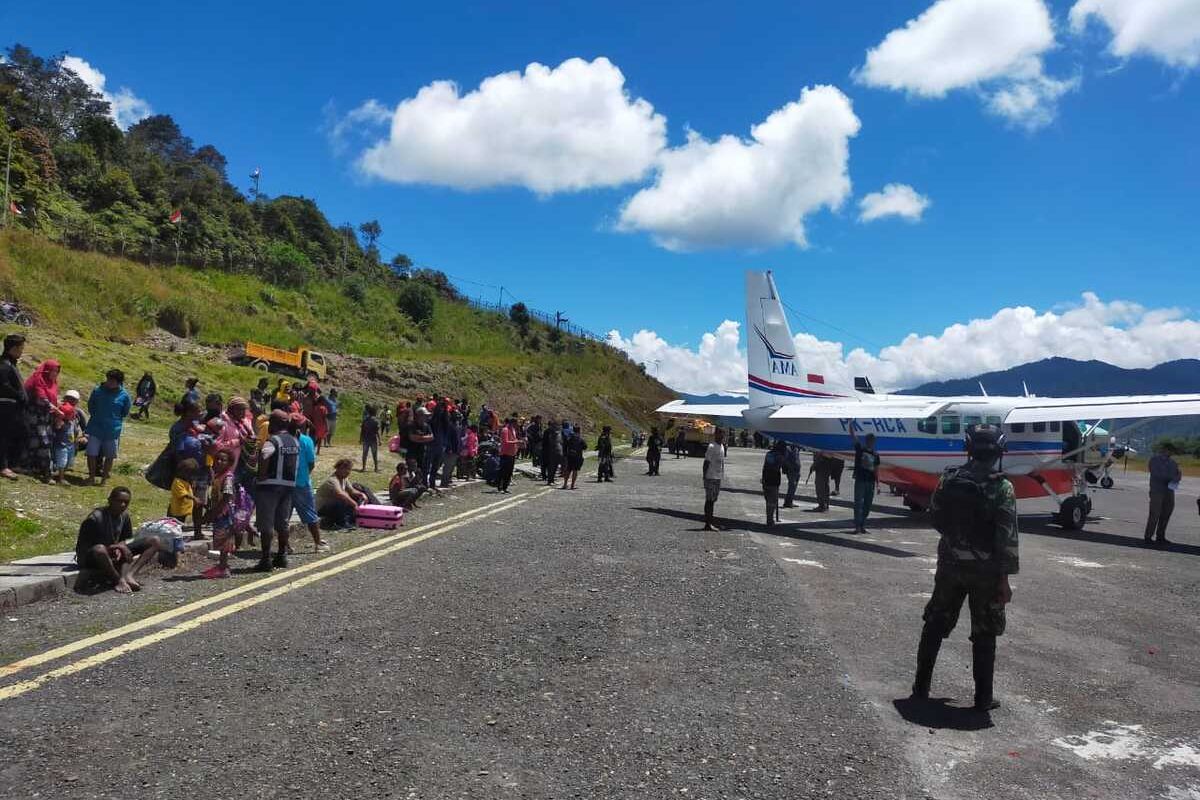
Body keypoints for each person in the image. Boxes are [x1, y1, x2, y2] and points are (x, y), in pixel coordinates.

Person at [912, 424, 1017, 713]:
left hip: (950, 565)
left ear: (967, 448)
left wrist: (955, 542)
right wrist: (1004, 580)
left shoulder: (949, 478)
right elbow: (1007, 536)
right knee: (985, 632)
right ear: (998, 451)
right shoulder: (1002, 487)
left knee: (935, 623)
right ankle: (983, 699)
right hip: (986, 571)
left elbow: (935, 517)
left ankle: (920, 688)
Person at [76, 486, 160, 594]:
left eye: (126, 502)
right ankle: (118, 581)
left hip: (113, 552)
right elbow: (89, 549)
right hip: (92, 557)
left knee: (154, 540)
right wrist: (117, 547)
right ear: (110, 500)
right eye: (119, 501)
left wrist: (121, 546)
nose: (123, 505)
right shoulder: (95, 519)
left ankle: (129, 576)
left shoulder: (124, 517)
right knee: (100, 549)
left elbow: (124, 539)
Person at [254, 410, 299, 571]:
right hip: (288, 486)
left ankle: (266, 559)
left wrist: (261, 475)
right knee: (283, 522)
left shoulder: (271, 441)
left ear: (274, 423)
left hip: (269, 486)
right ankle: (282, 555)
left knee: (266, 524)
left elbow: (265, 457)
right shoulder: (294, 441)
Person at [85, 369, 131, 485]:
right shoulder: (98, 391)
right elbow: (91, 405)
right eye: (108, 379)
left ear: (119, 382)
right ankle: (91, 477)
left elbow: (125, 412)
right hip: (96, 427)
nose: (109, 382)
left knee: (110, 455)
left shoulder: (124, 395)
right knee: (91, 453)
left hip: (112, 430)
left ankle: (104, 479)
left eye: (112, 380)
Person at [290, 413, 329, 553]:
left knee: (283, 516)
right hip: (302, 482)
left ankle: (285, 546)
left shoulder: (282, 439)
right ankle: (318, 543)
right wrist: (305, 475)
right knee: (310, 514)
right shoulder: (306, 441)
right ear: (302, 426)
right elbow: (311, 463)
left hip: (285, 483)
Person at [23, 359, 61, 483]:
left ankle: (34, 468)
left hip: (46, 417)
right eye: (53, 370)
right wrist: (56, 410)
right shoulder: (38, 379)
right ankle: (46, 473)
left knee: (44, 441)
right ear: (47, 370)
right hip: (35, 415)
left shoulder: (53, 383)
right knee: (43, 442)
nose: (55, 373)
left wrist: (56, 412)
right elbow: (41, 398)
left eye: (57, 371)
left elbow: (53, 399)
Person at [202, 450, 238, 578]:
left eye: (223, 460)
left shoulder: (227, 477)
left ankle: (223, 568)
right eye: (217, 459)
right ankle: (223, 565)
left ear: (229, 463)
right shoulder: (218, 475)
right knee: (221, 540)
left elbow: (227, 496)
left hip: (224, 513)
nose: (219, 462)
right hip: (219, 512)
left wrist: (212, 513)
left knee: (223, 541)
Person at [1145, 442, 1182, 547]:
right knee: (1154, 514)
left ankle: (1160, 536)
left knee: (1166, 513)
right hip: (1157, 490)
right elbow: (1156, 474)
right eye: (1169, 450)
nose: (1171, 453)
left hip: (1169, 491)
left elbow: (1178, 473)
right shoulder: (1154, 460)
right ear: (1164, 450)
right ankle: (1148, 536)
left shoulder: (1173, 463)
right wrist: (1169, 479)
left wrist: (1177, 478)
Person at [0, 333, 26, 479]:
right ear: (14, 348)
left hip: (13, 407)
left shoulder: (11, 363)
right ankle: (3, 466)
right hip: (5, 406)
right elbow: (3, 385)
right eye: (21, 348)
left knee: (13, 435)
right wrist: (18, 394)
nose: (22, 351)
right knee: (3, 436)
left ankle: (10, 463)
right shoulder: (3, 364)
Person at [316, 458, 366, 529]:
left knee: (357, 493)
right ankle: (342, 523)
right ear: (339, 468)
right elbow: (340, 494)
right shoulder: (332, 480)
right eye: (346, 469)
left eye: (349, 469)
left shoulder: (344, 478)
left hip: (333, 506)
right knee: (342, 499)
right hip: (322, 509)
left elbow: (351, 490)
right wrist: (354, 504)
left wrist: (361, 494)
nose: (348, 472)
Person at [848, 425, 880, 534]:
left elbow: (876, 469)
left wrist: (878, 484)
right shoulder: (860, 450)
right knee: (858, 503)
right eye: (869, 440)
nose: (871, 442)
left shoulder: (876, 455)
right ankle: (857, 525)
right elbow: (853, 436)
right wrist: (850, 423)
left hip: (870, 481)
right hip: (860, 480)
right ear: (866, 441)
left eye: (872, 440)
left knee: (867, 504)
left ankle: (862, 525)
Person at [702, 428, 726, 531]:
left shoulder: (721, 446)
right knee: (709, 500)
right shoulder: (712, 446)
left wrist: (722, 474)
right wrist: (704, 476)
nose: (721, 436)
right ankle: (708, 524)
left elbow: (722, 462)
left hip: (717, 477)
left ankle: (710, 521)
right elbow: (706, 462)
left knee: (713, 500)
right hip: (711, 476)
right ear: (715, 434)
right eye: (719, 433)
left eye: (722, 434)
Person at [761, 440, 785, 527]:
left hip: (766, 479)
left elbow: (764, 467)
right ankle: (770, 520)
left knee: (768, 501)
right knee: (772, 502)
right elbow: (783, 468)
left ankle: (769, 518)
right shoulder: (780, 456)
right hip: (774, 481)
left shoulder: (769, 454)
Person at [169, 459, 198, 523]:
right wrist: (194, 498)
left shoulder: (185, 481)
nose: (190, 476)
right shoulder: (177, 482)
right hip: (178, 510)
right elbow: (184, 494)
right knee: (176, 525)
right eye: (189, 473)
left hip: (183, 510)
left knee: (180, 524)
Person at [497, 416, 520, 493]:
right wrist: (516, 442)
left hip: (512, 454)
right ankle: (500, 487)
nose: (516, 425)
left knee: (509, 472)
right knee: (503, 471)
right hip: (505, 454)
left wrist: (518, 442)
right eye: (515, 423)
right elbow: (505, 442)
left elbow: (513, 439)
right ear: (511, 423)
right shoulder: (505, 430)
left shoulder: (513, 430)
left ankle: (505, 487)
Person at [562, 426, 586, 490]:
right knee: (575, 471)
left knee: (568, 470)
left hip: (570, 456)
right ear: (579, 431)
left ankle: (565, 484)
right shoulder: (580, 439)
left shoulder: (569, 438)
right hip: (577, 457)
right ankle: (572, 485)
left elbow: (565, 446)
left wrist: (565, 454)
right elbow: (585, 447)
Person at [360, 405, 380, 472]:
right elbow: (377, 432)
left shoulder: (365, 420)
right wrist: (379, 440)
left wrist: (360, 439)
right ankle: (376, 468)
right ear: (374, 413)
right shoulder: (376, 421)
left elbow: (362, 430)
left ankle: (364, 468)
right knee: (374, 454)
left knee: (364, 454)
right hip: (373, 439)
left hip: (366, 439)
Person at [541, 420, 562, 486]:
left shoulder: (557, 433)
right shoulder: (548, 432)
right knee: (551, 467)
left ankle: (552, 479)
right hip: (549, 452)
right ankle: (550, 480)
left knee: (555, 466)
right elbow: (545, 442)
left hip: (556, 452)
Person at [782, 444, 801, 508]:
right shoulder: (788, 449)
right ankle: (787, 502)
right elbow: (785, 460)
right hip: (791, 471)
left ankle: (790, 501)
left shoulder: (796, 448)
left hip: (797, 470)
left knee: (794, 487)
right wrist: (791, 468)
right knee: (792, 486)